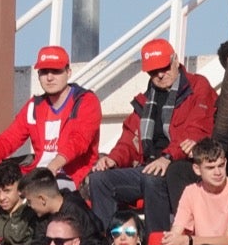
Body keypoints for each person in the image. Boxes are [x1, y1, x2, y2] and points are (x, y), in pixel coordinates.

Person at [87, 39, 215, 233]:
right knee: (99, 179)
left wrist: (168, 157)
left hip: (180, 165)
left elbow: (197, 130)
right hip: (149, 166)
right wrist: (113, 159)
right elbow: (130, 139)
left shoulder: (198, 86)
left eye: (164, 68)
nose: (160, 75)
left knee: (152, 178)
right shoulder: (145, 100)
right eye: (153, 71)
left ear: (175, 60)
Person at [0, 45, 103, 189]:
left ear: (68, 72)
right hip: (36, 175)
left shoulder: (85, 101)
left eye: (56, 71)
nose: (49, 77)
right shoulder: (34, 106)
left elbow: (79, 141)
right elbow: (8, 140)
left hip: (71, 176)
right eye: (44, 71)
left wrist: (53, 167)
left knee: (41, 192)